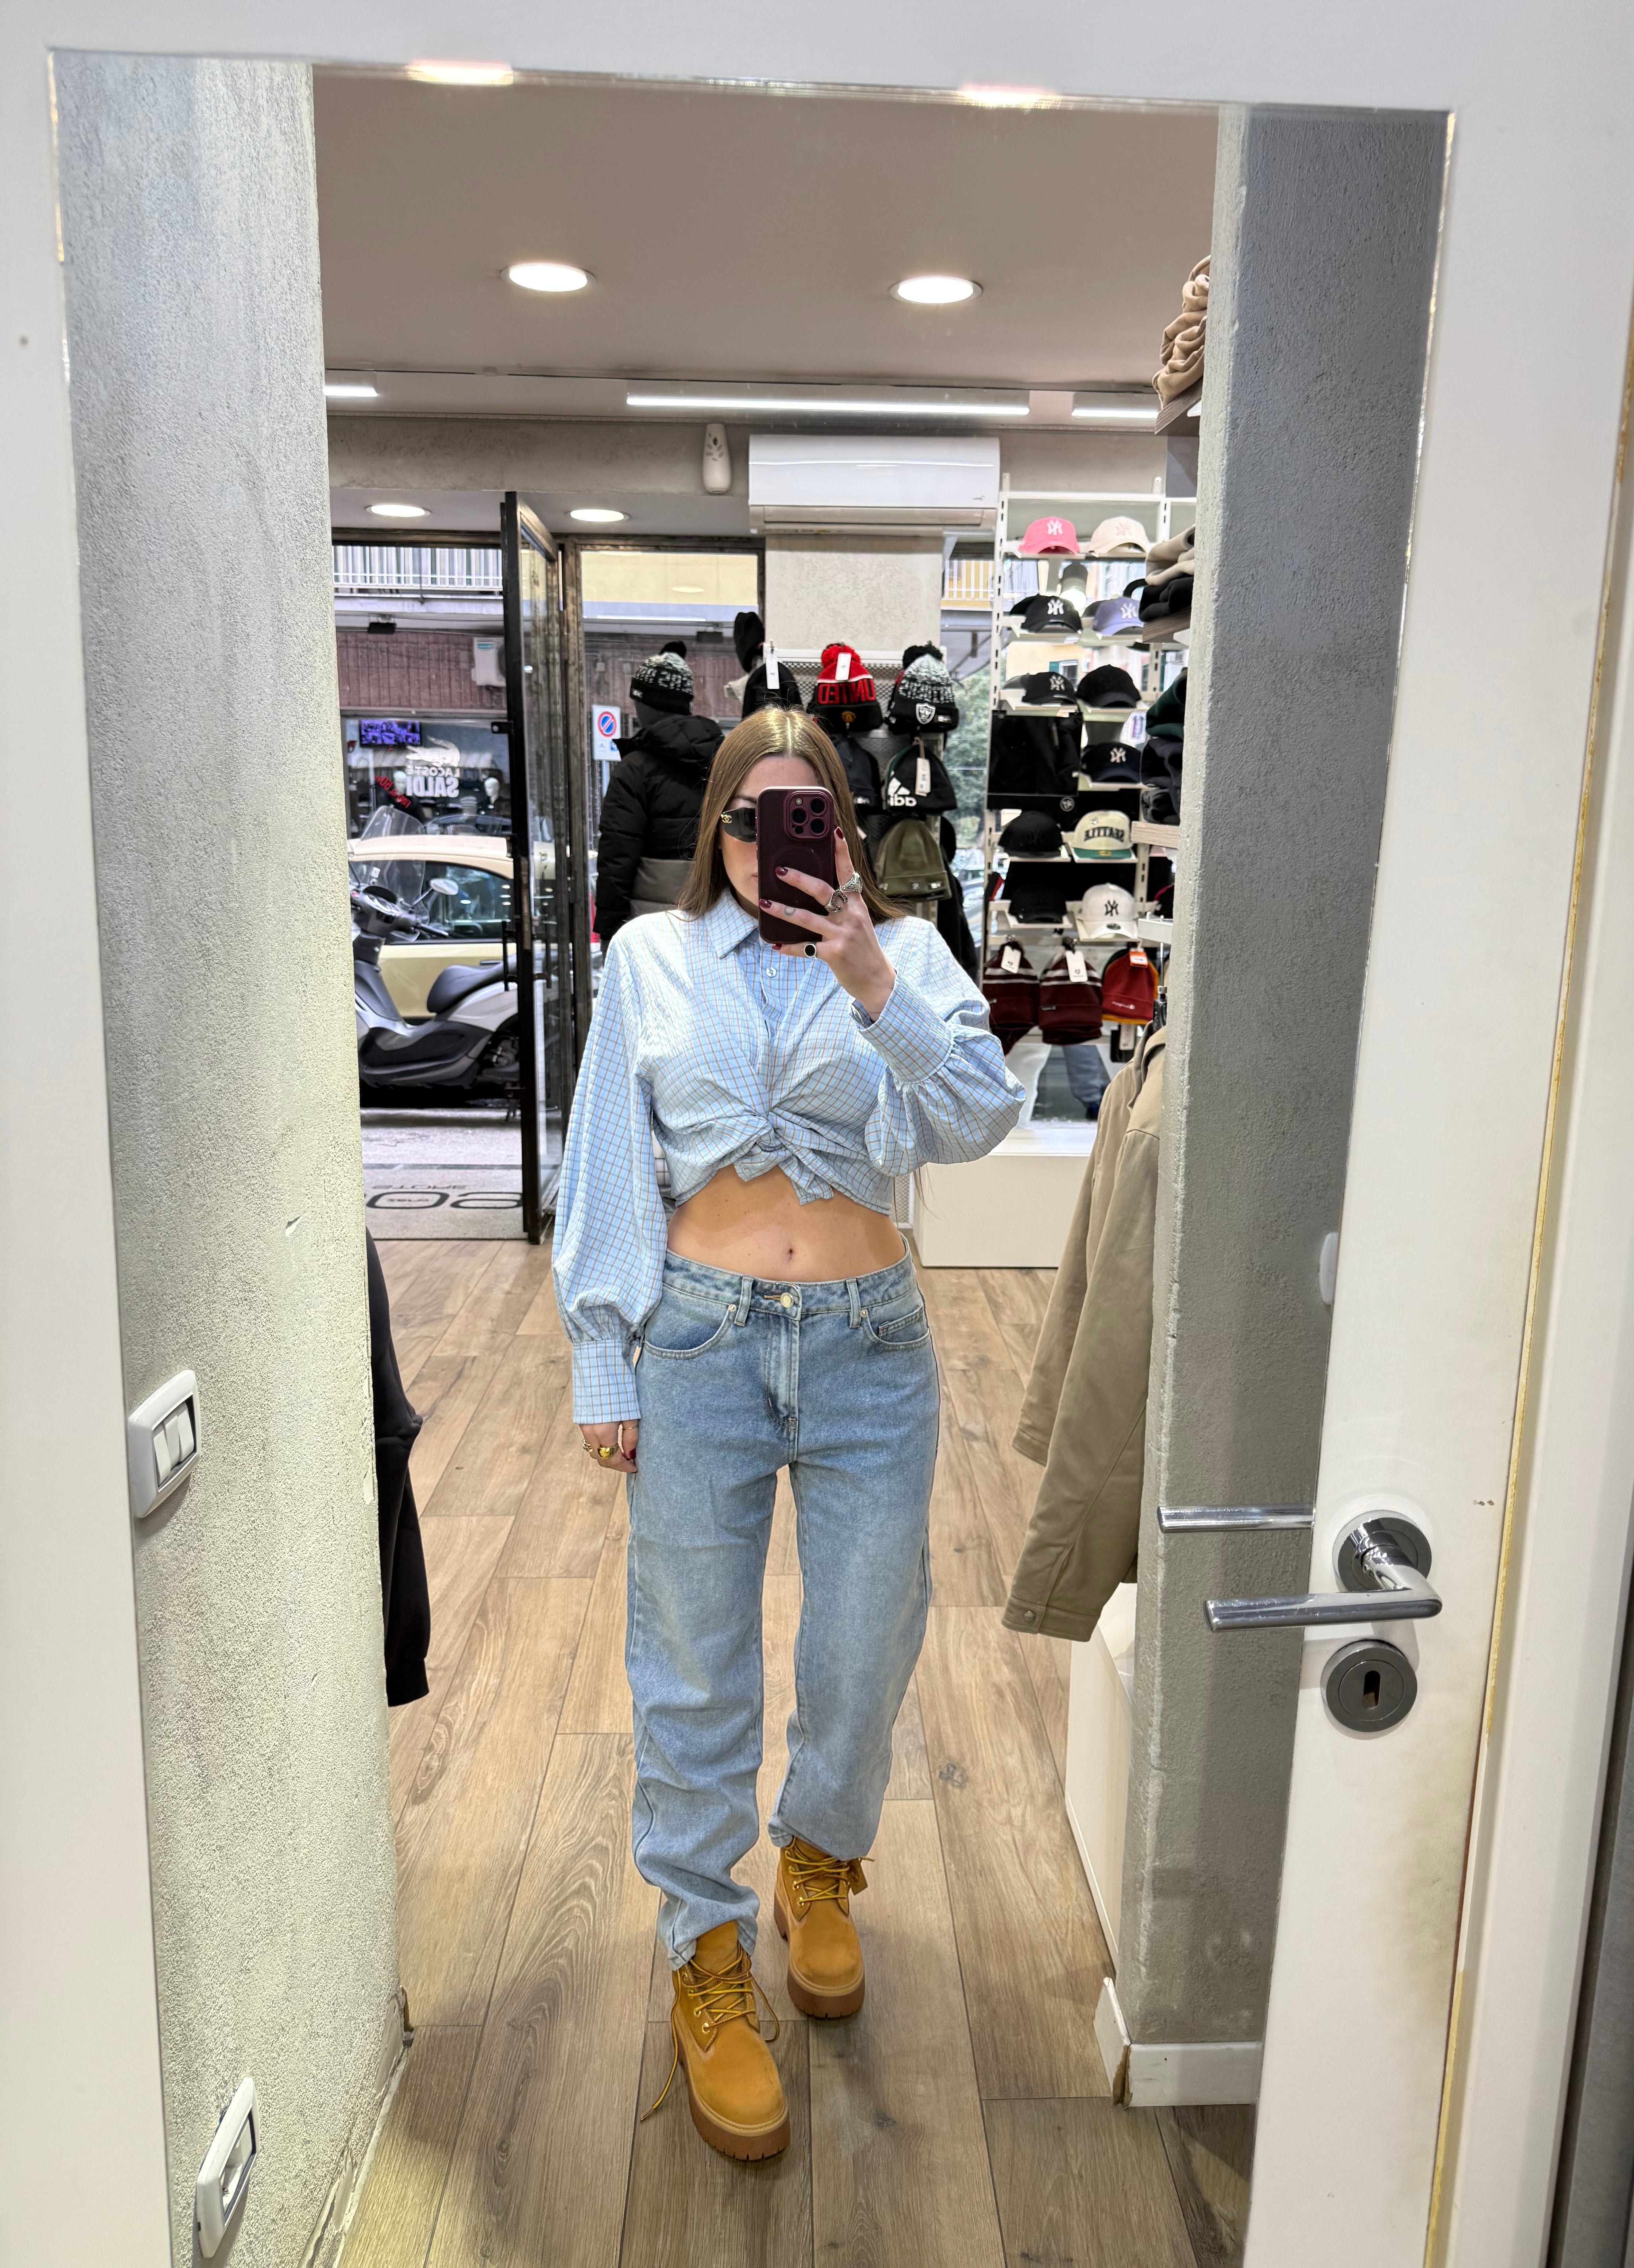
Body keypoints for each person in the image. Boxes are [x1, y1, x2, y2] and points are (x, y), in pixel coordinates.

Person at [553, 708, 1023, 2163]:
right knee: (693, 1654)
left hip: (873, 1347)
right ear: (717, 830)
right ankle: (707, 1946)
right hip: (701, 1342)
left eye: (799, 814)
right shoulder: (651, 958)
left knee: (865, 1639)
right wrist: (604, 1355)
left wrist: (871, 978)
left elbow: (981, 1116)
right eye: (748, 820)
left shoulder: (907, 958)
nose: (772, 844)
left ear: (841, 823)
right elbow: (608, 1156)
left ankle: (818, 1861)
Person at [594, 642, 723, 939]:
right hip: (719, 913)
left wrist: (610, 930)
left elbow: (617, 857)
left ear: (647, 704)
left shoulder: (635, 770)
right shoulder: (725, 761)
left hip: (650, 925)